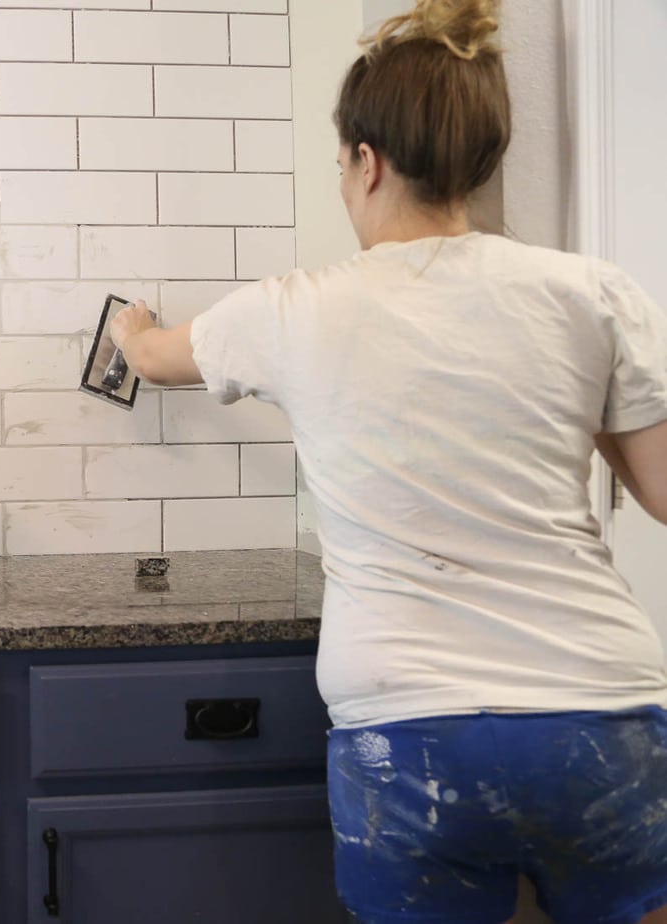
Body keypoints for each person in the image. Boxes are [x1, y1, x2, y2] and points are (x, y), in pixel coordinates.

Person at [109, 1, 667, 922]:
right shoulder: (592, 295)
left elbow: (158, 358)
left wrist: (131, 329)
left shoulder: (292, 310)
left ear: (366, 161)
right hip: (601, 718)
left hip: (408, 737)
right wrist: (588, 402)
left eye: (339, 166)